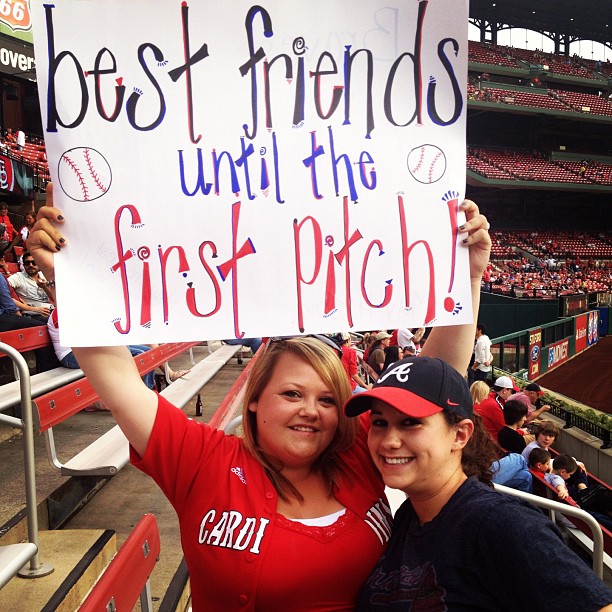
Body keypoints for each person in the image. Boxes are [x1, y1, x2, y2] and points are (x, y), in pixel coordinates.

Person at [28, 185, 494, 610]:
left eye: (327, 400)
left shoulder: (357, 452)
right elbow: (117, 375)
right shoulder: (201, 459)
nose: (311, 411)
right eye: (292, 393)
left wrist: (467, 276)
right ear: (254, 399)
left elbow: (435, 379)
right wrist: (70, 276)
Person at [344, 356, 612, 611]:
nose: (389, 441)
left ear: (460, 435)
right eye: (379, 422)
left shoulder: (504, 524)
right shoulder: (410, 512)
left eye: (410, 423)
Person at [7, 251, 53, 322]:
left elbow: (54, 298)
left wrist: (44, 287)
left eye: (34, 262)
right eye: (27, 263)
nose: (31, 265)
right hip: (33, 314)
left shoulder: (45, 276)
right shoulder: (18, 277)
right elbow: (3, 294)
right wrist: (31, 308)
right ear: (24, 265)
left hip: (50, 309)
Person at [473, 374, 518, 442]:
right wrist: (521, 431)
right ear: (504, 390)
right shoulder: (494, 404)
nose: (512, 394)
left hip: (482, 438)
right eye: (512, 391)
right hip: (491, 442)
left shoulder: (490, 398)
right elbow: (503, 429)